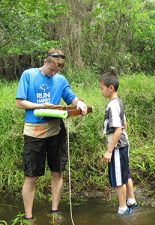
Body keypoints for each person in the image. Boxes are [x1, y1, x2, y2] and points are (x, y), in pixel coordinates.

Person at [15, 48, 88, 222]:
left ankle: (54, 211)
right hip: (34, 131)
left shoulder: (60, 80)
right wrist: (40, 106)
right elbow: (19, 103)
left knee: (57, 172)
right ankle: (29, 217)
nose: (54, 73)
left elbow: (71, 97)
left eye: (57, 71)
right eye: (52, 69)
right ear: (46, 62)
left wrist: (80, 103)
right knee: (31, 175)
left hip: (55, 131)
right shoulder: (29, 75)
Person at [99, 71, 138, 215]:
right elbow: (125, 123)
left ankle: (123, 208)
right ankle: (131, 201)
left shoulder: (112, 105)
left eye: (102, 88)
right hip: (124, 144)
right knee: (125, 174)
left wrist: (109, 150)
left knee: (118, 178)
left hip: (117, 147)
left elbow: (118, 129)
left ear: (110, 88)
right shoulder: (118, 102)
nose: (101, 91)